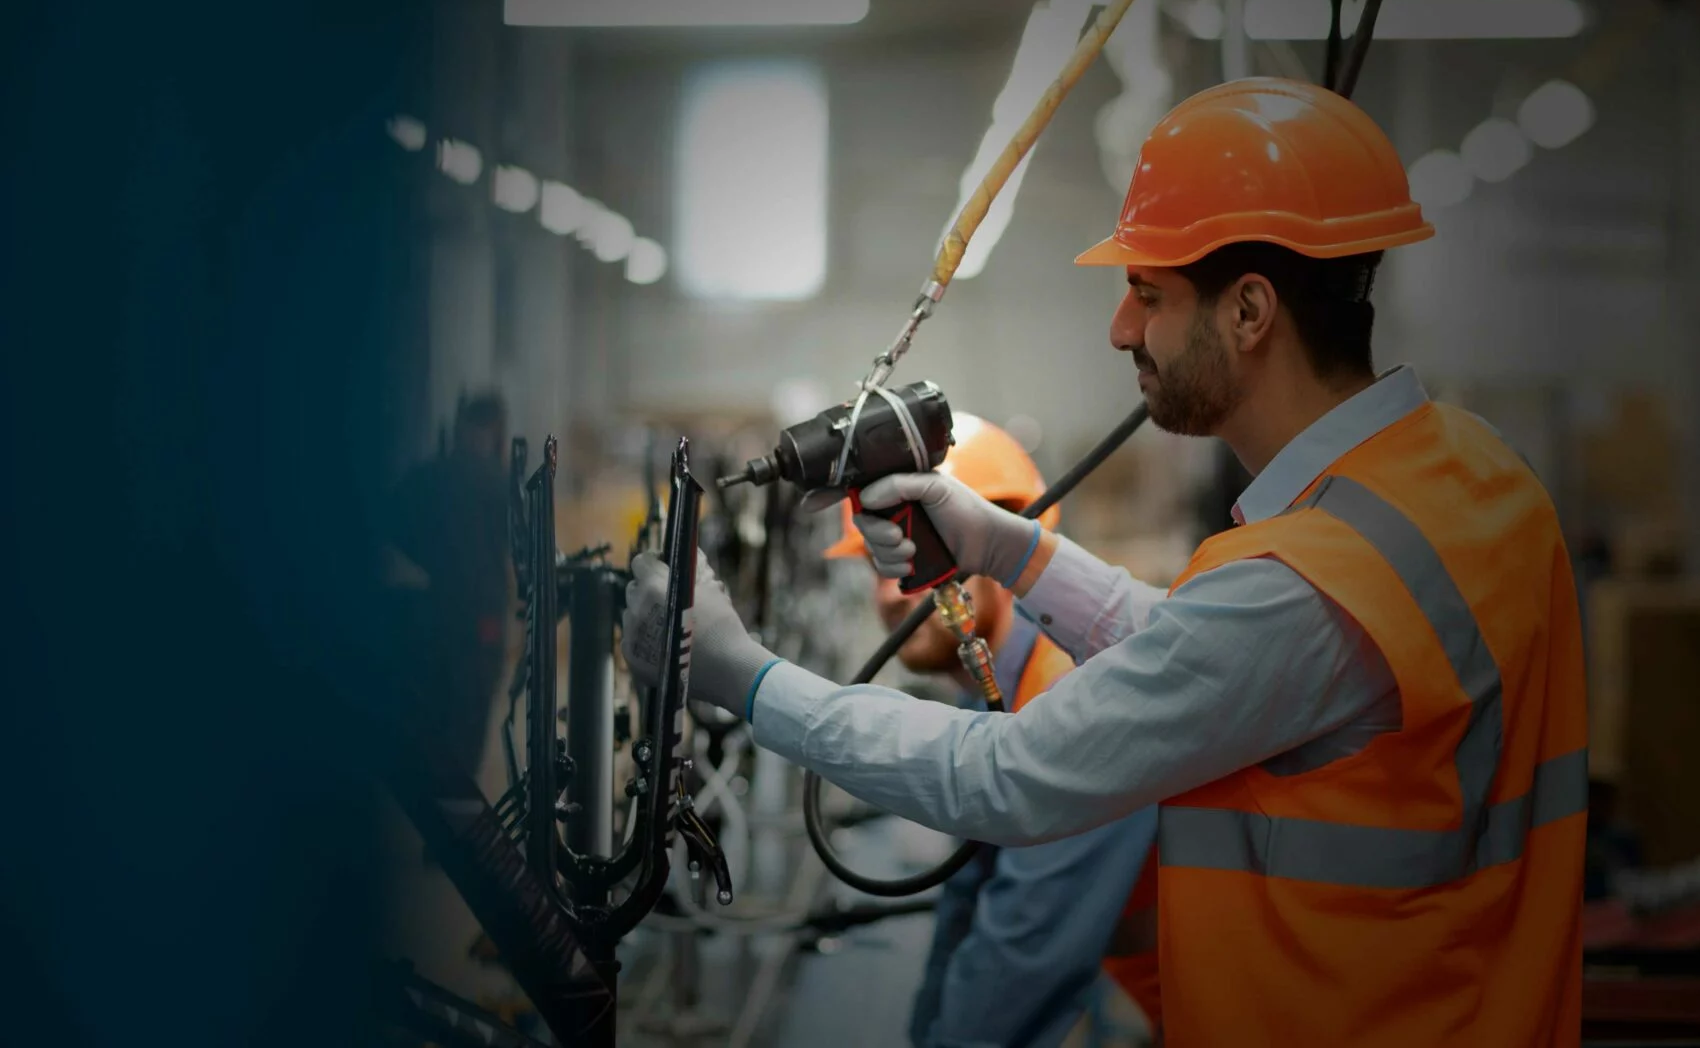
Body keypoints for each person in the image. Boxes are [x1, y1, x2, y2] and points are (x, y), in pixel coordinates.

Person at [625, 78, 1588, 1046]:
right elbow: (1205, 661)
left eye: (1148, 293)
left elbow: (1005, 778)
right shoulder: (1469, 476)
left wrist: (742, 678)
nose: (1121, 330)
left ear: (1250, 310)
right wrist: (1011, 547)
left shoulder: (1314, 580)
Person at [818, 412, 1156, 1048]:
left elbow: (1021, 957)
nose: (894, 588)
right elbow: (969, 897)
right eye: (876, 558)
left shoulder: (1067, 694)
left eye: (916, 548)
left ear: (985, 543)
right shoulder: (995, 694)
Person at [385, 390, 512, 778]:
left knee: (440, 722)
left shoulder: (432, 474)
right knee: (470, 723)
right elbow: (518, 547)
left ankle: (442, 819)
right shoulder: (498, 481)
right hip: (483, 619)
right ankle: (458, 826)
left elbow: (394, 518)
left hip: (439, 609)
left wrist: (433, 561)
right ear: (494, 431)